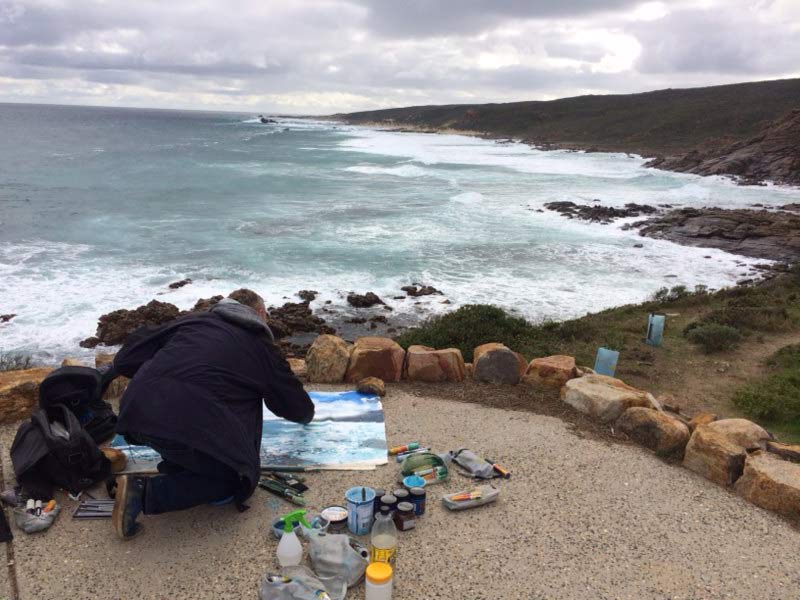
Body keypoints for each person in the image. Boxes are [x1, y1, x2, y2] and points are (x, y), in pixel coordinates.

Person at [110, 289, 314, 540]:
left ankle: (177, 467)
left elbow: (124, 360)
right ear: (260, 313)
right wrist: (307, 416)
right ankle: (143, 493)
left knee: (186, 436)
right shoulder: (261, 348)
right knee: (234, 480)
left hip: (136, 413)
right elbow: (295, 406)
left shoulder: (190, 322)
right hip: (183, 425)